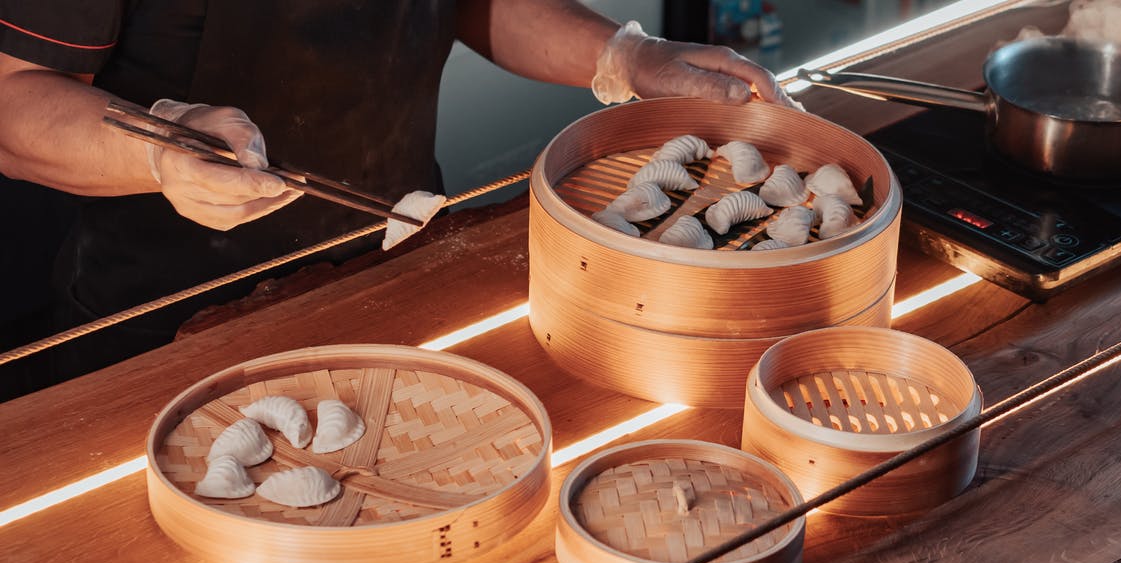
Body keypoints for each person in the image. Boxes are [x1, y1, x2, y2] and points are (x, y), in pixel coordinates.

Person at [0, 1, 800, 397]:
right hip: (164, 326)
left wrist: (630, 58)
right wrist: (162, 149)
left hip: (403, 276)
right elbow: (13, 102)